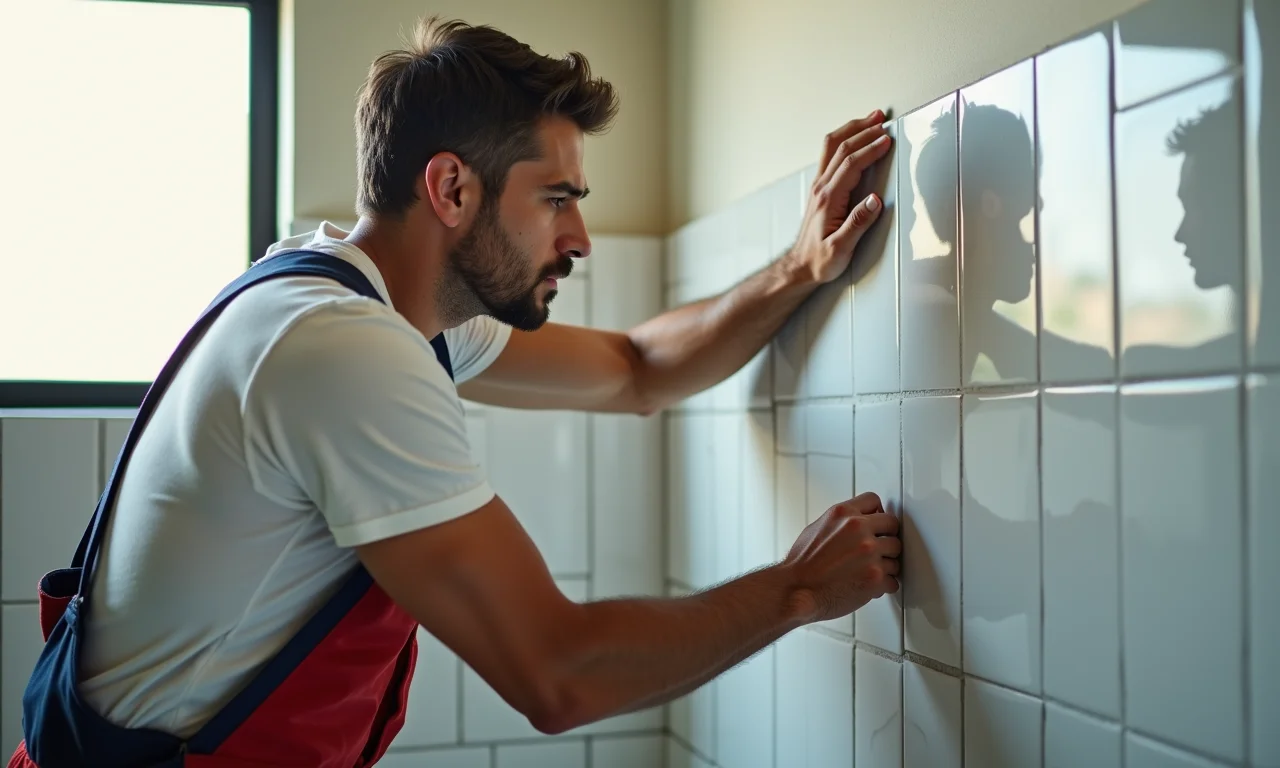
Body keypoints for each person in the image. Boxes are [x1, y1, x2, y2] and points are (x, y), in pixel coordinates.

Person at [10, 15, 900, 768]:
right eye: (557, 198)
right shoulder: (340, 347)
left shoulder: (376, 308)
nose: (581, 237)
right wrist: (798, 590)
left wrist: (799, 265)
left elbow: (637, 368)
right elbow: (558, 674)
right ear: (451, 188)